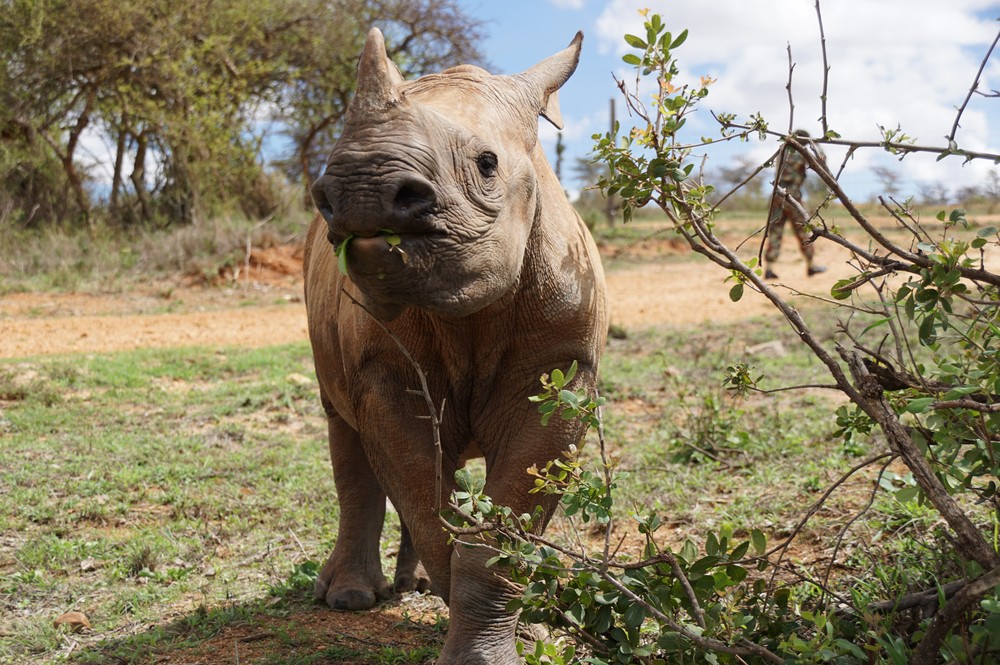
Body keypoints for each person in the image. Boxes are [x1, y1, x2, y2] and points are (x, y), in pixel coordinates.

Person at [764, 129, 826, 279]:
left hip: (777, 193)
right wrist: (816, 144)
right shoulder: (799, 153)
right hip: (792, 195)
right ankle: (811, 266)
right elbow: (821, 160)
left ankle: (769, 268)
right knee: (803, 231)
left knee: (775, 231)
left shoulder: (782, 151)